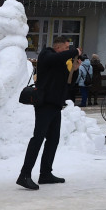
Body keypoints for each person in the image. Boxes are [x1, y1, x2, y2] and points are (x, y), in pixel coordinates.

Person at [17, 34, 79, 190]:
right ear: (57, 47)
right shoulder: (47, 55)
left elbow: (67, 83)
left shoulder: (59, 62)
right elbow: (56, 59)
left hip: (55, 104)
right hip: (44, 104)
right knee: (38, 138)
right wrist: (74, 52)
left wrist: (75, 69)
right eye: (66, 47)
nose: (68, 50)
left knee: (53, 139)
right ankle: (24, 175)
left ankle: (45, 173)